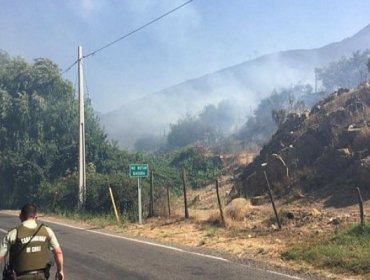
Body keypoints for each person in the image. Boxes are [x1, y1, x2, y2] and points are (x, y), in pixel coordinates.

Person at [0, 203, 64, 280]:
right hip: (41, 276)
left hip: (18, 277)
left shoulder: (13, 233)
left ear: (20, 216)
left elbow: (0, 256)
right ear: (36, 216)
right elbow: (58, 252)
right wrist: (60, 270)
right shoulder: (47, 231)